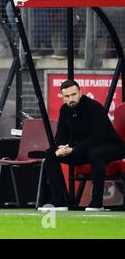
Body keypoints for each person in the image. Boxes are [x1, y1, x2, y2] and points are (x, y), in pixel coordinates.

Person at [39, 80, 125, 211]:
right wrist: (61, 147)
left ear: (80, 93)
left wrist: (73, 150)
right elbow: (61, 135)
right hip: (83, 149)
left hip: (111, 146)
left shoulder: (94, 107)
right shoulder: (64, 110)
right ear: (63, 97)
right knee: (50, 153)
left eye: (73, 94)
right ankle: (59, 201)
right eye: (67, 96)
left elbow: (97, 138)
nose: (71, 99)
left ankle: (97, 202)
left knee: (95, 153)